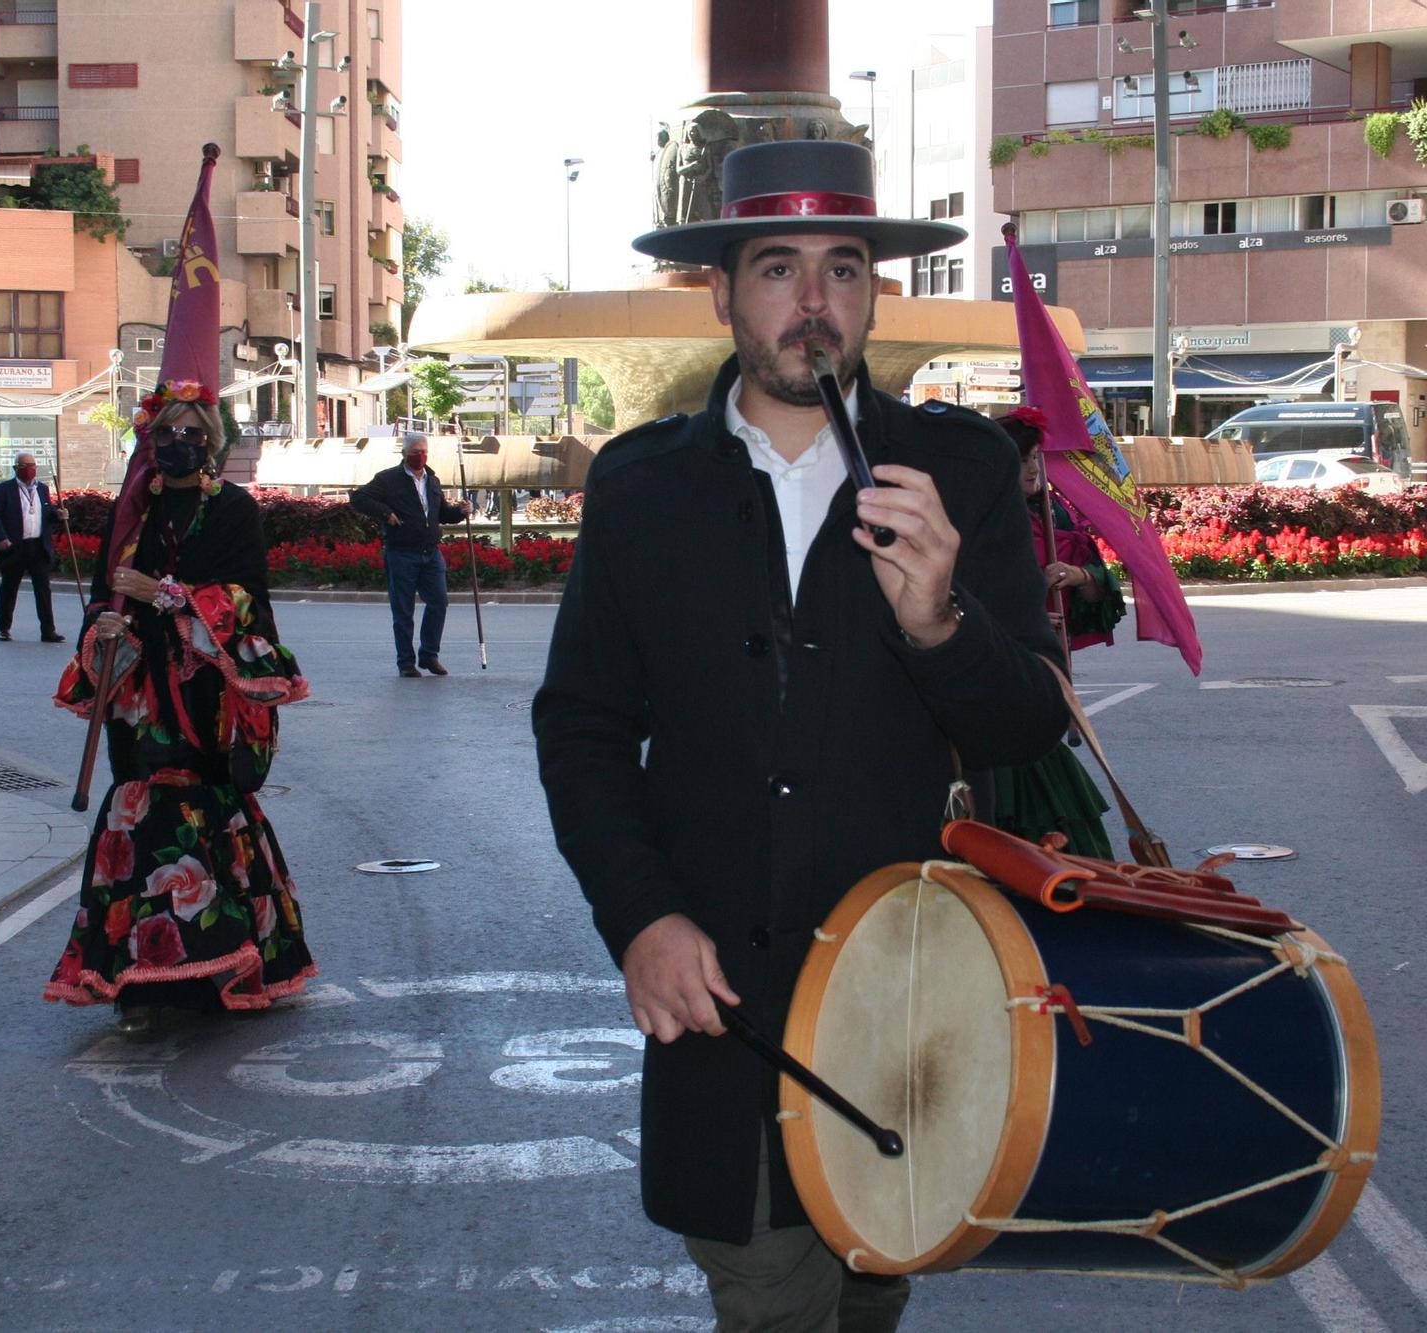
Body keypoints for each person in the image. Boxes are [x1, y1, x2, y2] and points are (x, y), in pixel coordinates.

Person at [532, 140, 1071, 1331]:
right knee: (770, 1299)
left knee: (870, 1295)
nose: (813, 304)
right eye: (777, 269)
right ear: (721, 293)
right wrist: (639, 916)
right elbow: (579, 729)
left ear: (873, 291)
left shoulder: (959, 472)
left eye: (843, 268)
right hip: (724, 1008)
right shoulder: (642, 485)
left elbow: (1030, 720)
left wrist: (940, 622)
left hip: (906, 991)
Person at [42, 392, 317, 1029]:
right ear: (151, 438)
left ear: (212, 441)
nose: (181, 442)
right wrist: (106, 624)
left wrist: (168, 596)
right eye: (170, 431)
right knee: (138, 804)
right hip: (141, 694)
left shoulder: (234, 510)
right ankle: (140, 980)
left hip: (207, 695)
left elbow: (248, 599)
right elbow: (107, 596)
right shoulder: (133, 511)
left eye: (195, 432)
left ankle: (222, 963)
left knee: (207, 807)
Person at [990, 408, 1127, 860]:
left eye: (1035, 457)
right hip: (994, 691)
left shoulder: (1056, 518)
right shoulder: (971, 524)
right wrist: (1016, 618)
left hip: (1046, 683)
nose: (1033, 468)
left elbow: (1103, 596)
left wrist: (1080, 576)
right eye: (1022, 458)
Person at [348, 432, 469, 677]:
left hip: (430, 552)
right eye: (415, 452)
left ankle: (429, 655)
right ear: (404, 454)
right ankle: (406, 663)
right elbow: (359, 498)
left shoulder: (432, 480)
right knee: (403, 610)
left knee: (439, 603)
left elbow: (441, 513)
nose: (420, 456)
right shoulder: (388, 479)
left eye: (423, 452)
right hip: (402, 553)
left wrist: (461, 512)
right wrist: (385, 513)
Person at [0, 451, 67, 643]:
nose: (30, 470)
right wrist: (1, 538)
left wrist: (58, 515)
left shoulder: (42, 489)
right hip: (15, 546)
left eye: (32, 465)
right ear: (16, 469)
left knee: (43, 589)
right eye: (25, 466)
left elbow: (46, 513)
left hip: (38, 546)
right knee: (9, 588)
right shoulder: (3, 489)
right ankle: (3, 628)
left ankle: (48, 630)